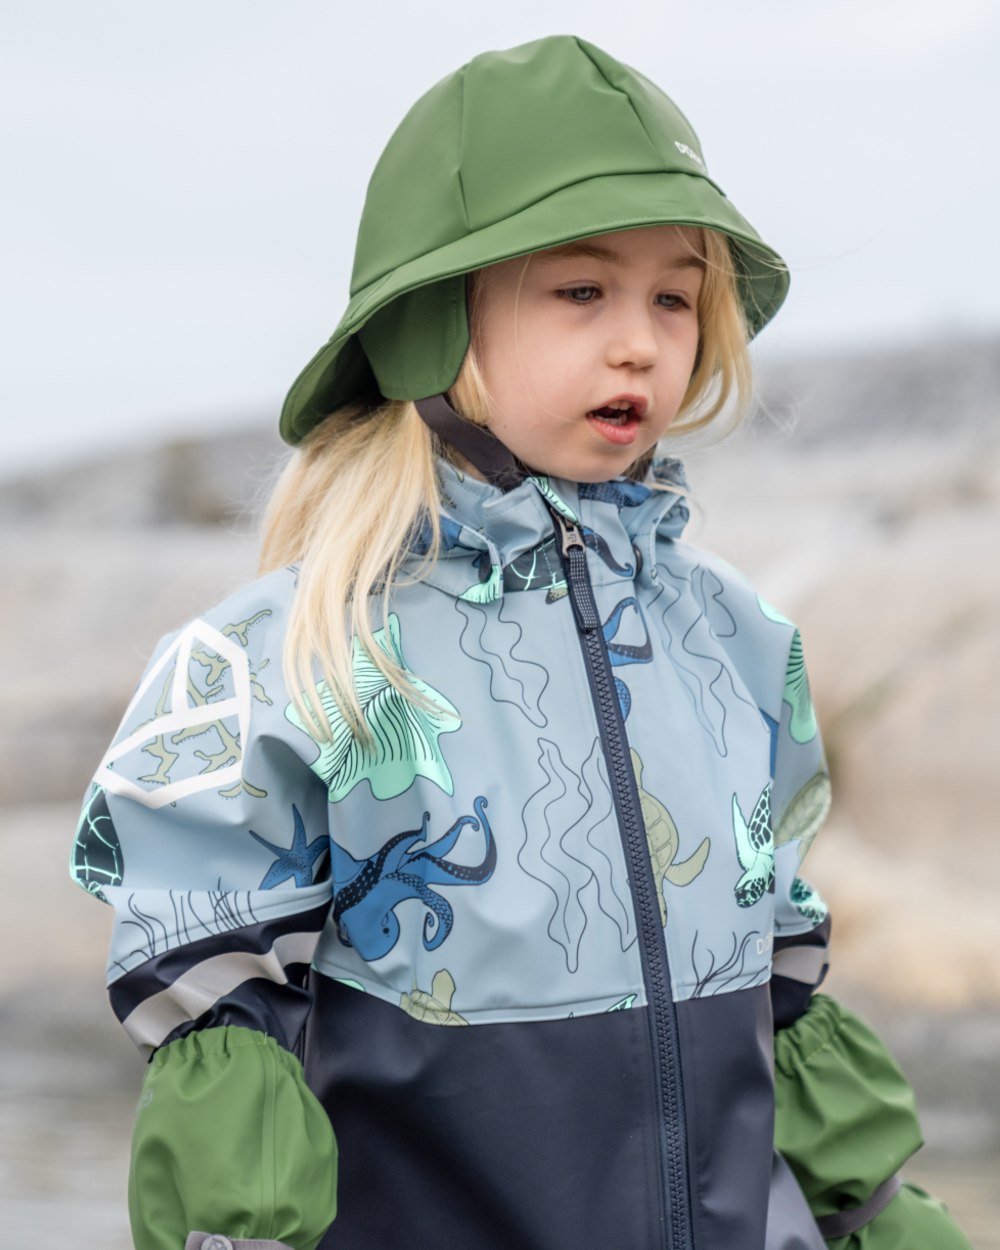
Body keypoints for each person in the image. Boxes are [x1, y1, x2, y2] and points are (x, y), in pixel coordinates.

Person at [72, 35, 972, 1250]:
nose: (639, 342)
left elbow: (778, 991)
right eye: (580, 291)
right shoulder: (289, 663)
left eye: (673, 297)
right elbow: (219, 1036)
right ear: (432, 323)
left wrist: (878, 1218)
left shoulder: (737, 643)